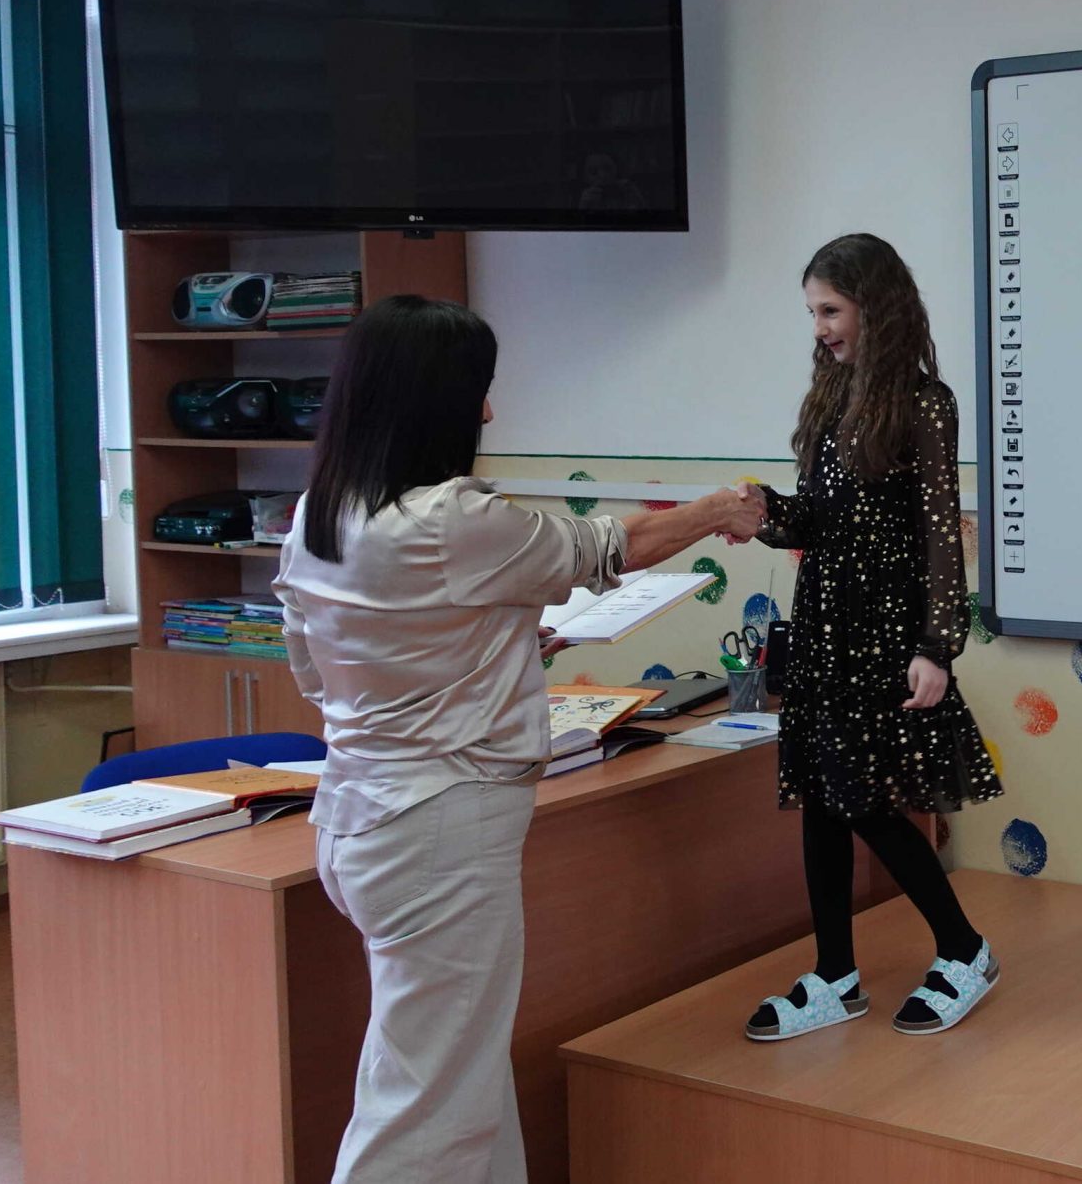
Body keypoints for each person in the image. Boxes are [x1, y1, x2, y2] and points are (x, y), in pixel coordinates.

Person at [275, 296, 762, 1184]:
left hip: (359, 817)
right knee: (423, 1108)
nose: (490, 412)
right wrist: (721, 508)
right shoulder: (448, 518)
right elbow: (610, 544)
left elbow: (321, 669)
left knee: (462, 1075)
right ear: (431, 398)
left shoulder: (321, 513)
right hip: (438, 828)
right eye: (480, 389)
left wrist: (482, 651)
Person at [743, 233, 1004, 1043]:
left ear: (875, 307)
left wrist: (937, 644)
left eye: (831, 310)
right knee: (822, 799)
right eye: (813, 313)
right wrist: (761, 512)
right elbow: (822, 521)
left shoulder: (925, 402)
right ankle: (835, 974)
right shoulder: (832, 396)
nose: (820, 328)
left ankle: (964, 949)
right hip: (824, 628)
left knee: (864, 799)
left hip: (885, 637)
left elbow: (938, 535)